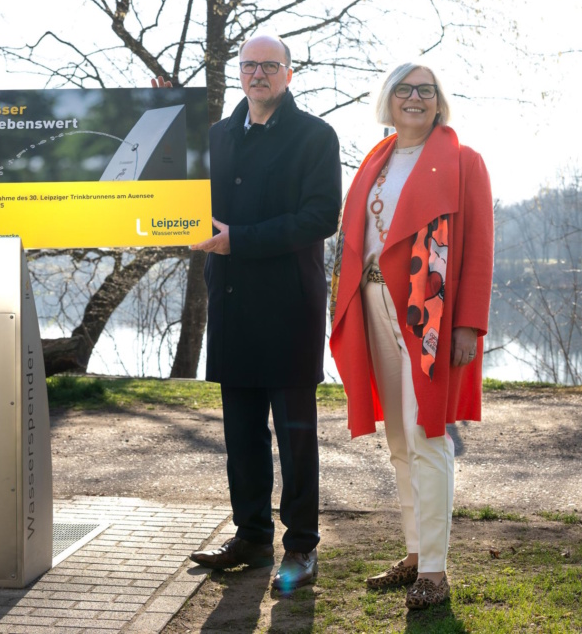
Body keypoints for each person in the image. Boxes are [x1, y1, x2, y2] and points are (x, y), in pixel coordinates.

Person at [156, 35, 341, 592]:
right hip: (232, 304)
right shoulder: (214, 135)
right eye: (249, 65)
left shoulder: (316, 135)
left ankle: (302, 546)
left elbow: (320, 218)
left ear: (289, 73)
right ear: (239, 73)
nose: (258, 74)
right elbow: (174, 191)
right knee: (241, 435)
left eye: (270, 65)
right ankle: (252, 536)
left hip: (290, 306)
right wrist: (162, 118)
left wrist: (242, 240)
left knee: (295, 434)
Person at [328, 63, 493, 609]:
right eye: (404, 89)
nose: (415, 98)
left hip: (430, 313)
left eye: (425, 90)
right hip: (373, 301)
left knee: (428, 435)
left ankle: (437, 570)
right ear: (389, 100)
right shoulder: (374, 161)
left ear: (439, 100)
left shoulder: (465, 162)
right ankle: (416, 553)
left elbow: (480, 253)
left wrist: (469, 323)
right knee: (398, 437)